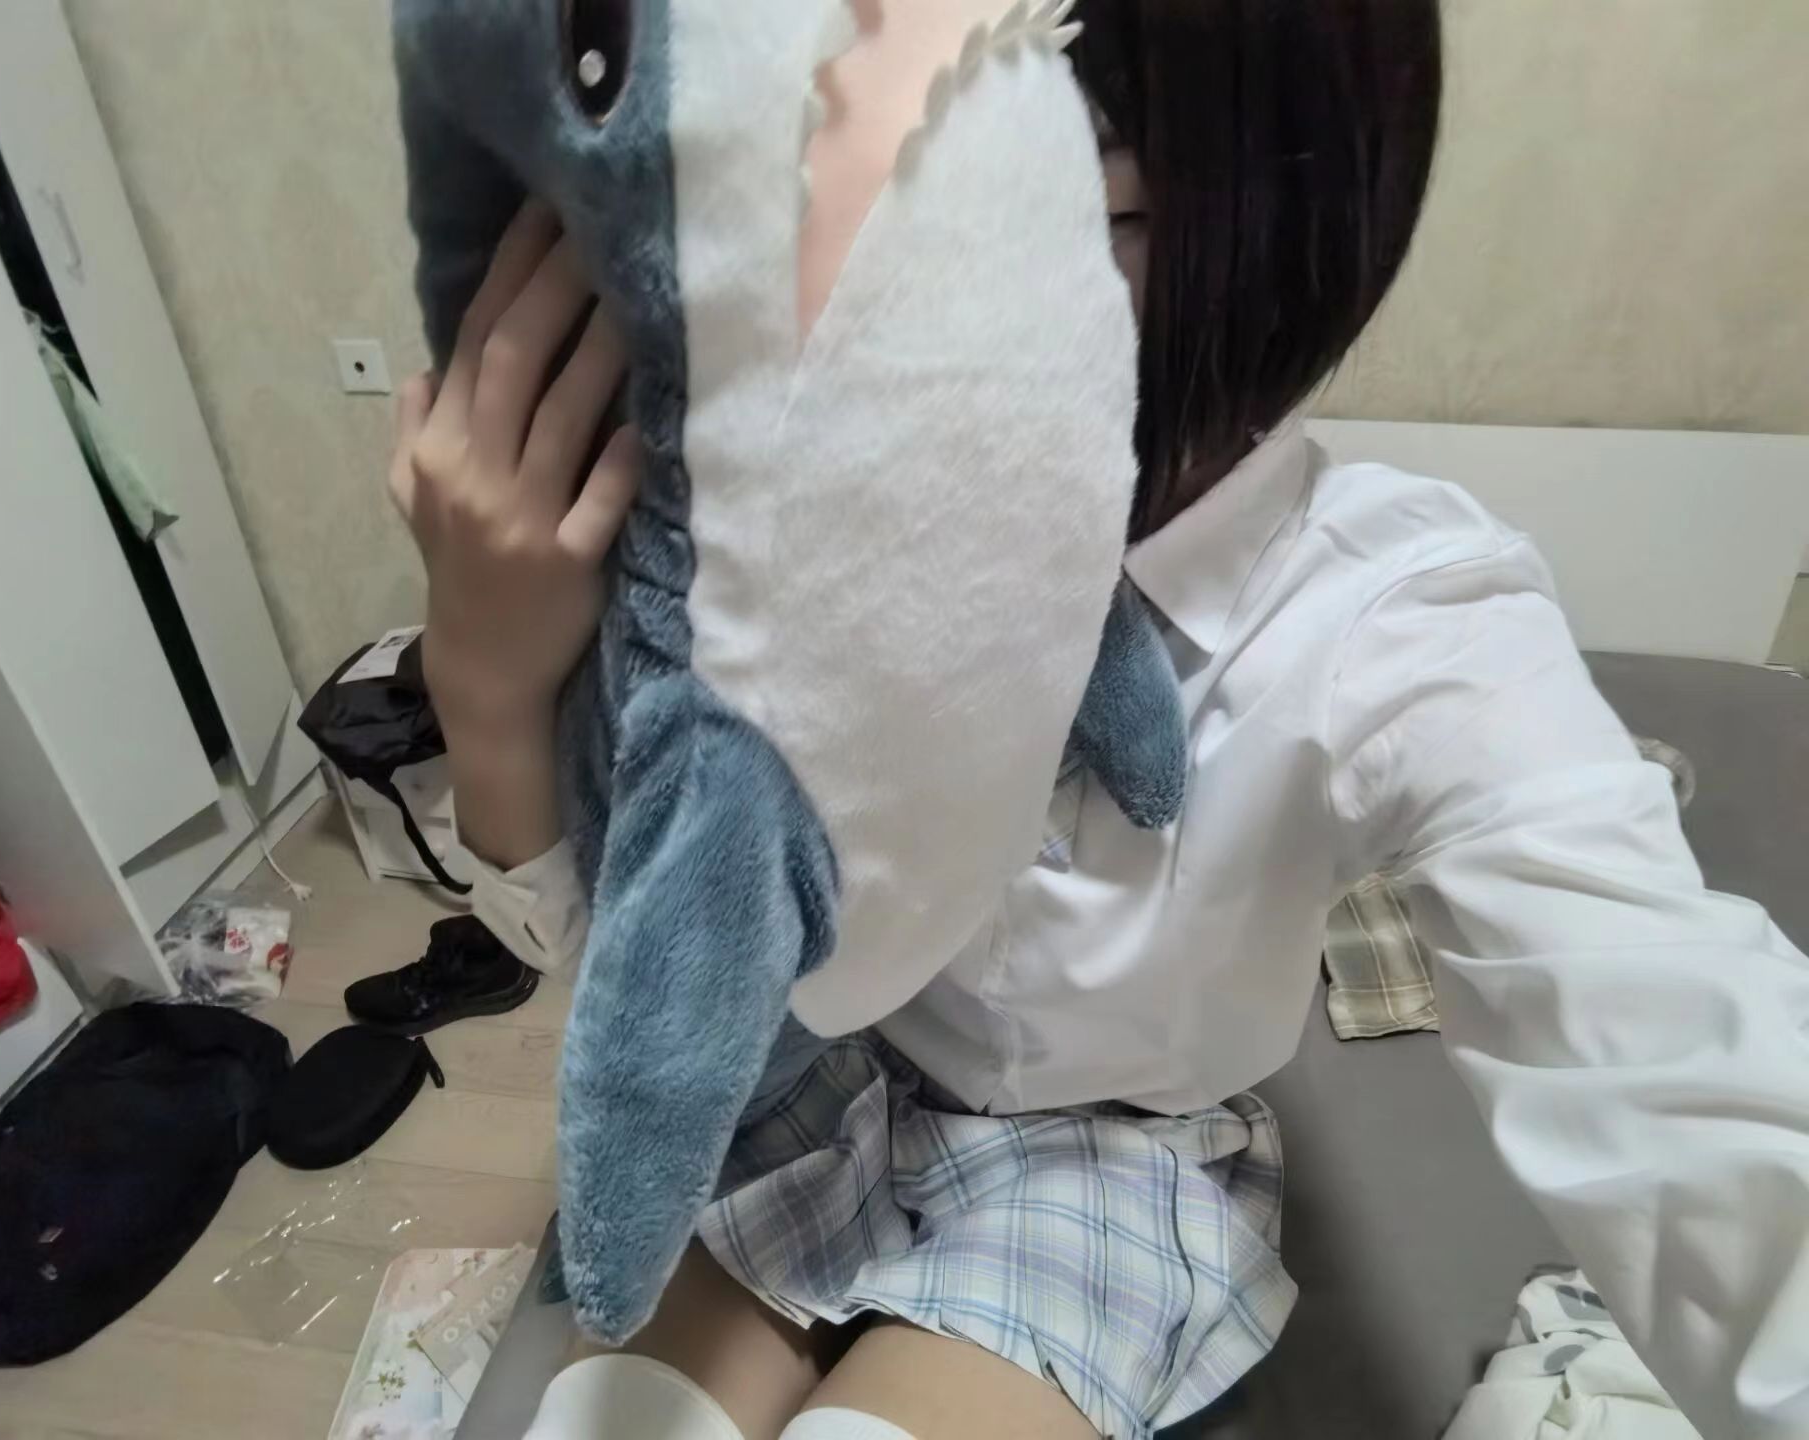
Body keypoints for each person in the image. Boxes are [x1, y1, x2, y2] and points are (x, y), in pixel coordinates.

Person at [385, 2, 1809, 1437]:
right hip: (807, 1086)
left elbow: (1677, 1043)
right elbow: (642, 948)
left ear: (1279, 217)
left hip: (1108, 1163)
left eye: (1085, 199)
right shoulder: (770, 528)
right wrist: (489, 683)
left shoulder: (1398, 613)